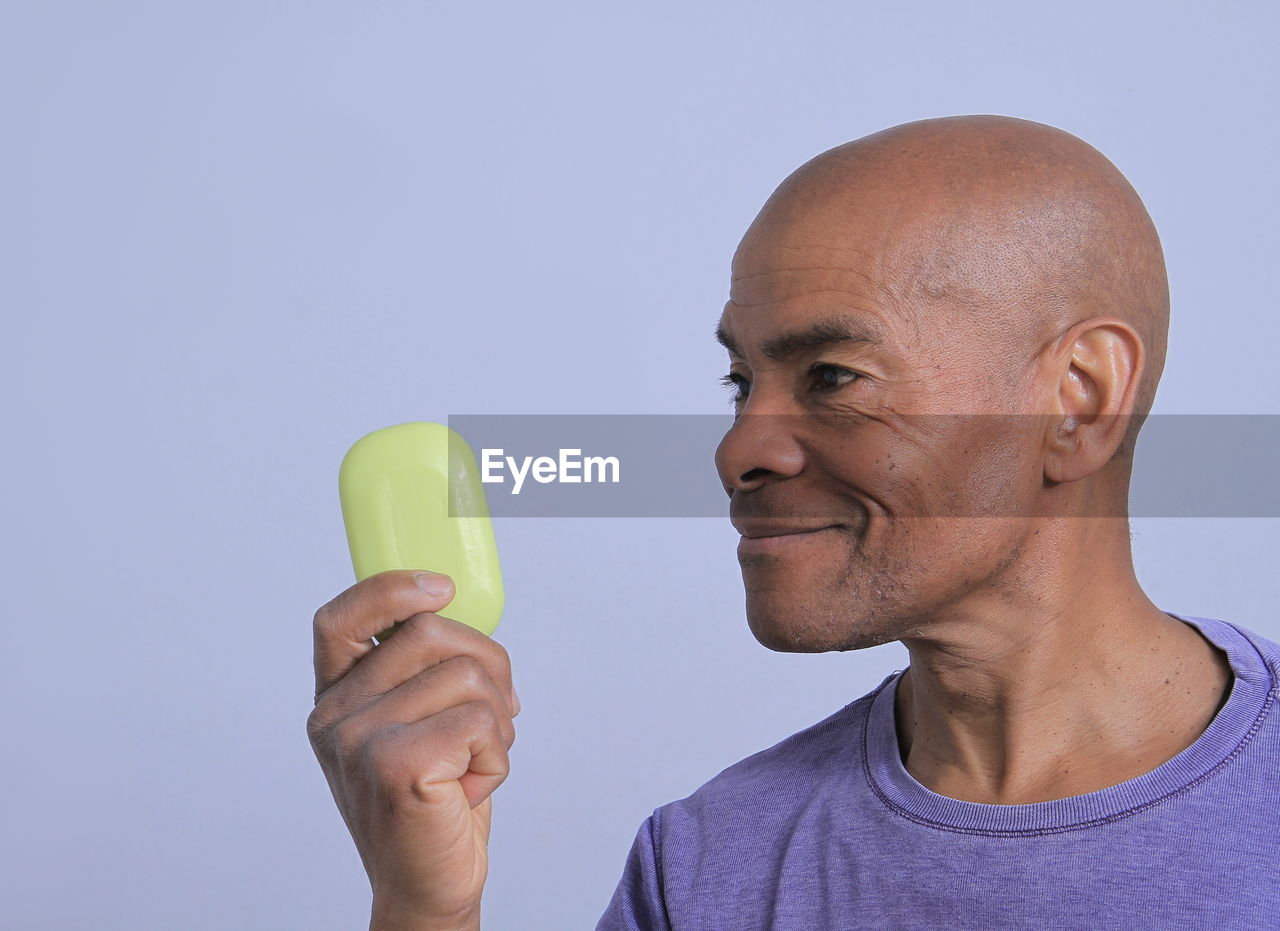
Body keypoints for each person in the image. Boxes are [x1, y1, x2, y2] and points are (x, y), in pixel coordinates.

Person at [308, 115, 1280, 930]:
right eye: (740, 382)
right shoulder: (703, 868)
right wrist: (424, 905)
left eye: (830, 377)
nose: (737, 450)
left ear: (1075, 401)